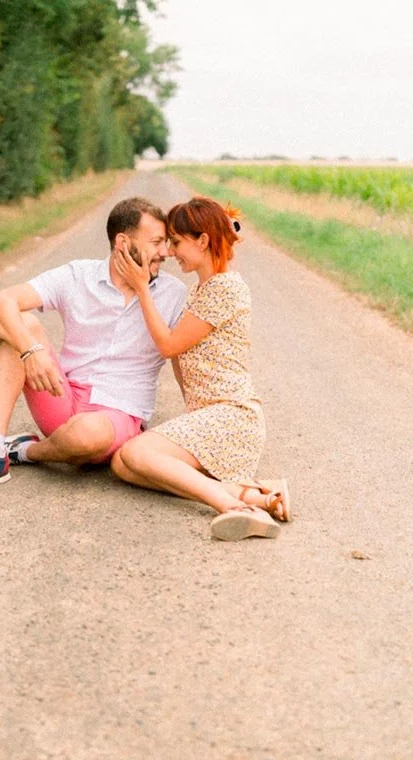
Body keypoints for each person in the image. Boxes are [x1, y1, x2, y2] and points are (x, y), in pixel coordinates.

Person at [0, 197, 189, 497]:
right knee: (21, 323)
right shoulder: (78, 275)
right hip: (63, 398)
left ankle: (22, 451)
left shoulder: (174, 294)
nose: (165, 252)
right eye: (156, 242)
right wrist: (30, 351)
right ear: (123, 243)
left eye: (166, 243)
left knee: (87, 434)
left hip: (117, 415)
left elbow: (182, 360)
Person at [110, 196, 291, 541]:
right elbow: (179, 359)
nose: (170, 252)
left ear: (203, 240)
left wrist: (142, 288)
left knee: (136, 452)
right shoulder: (200, 290)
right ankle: (256, 495)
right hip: (210, 417)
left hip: (232, 416)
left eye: (176, 242)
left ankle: (235, 507)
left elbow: (168, 346)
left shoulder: (225, 289)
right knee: (122, 464)